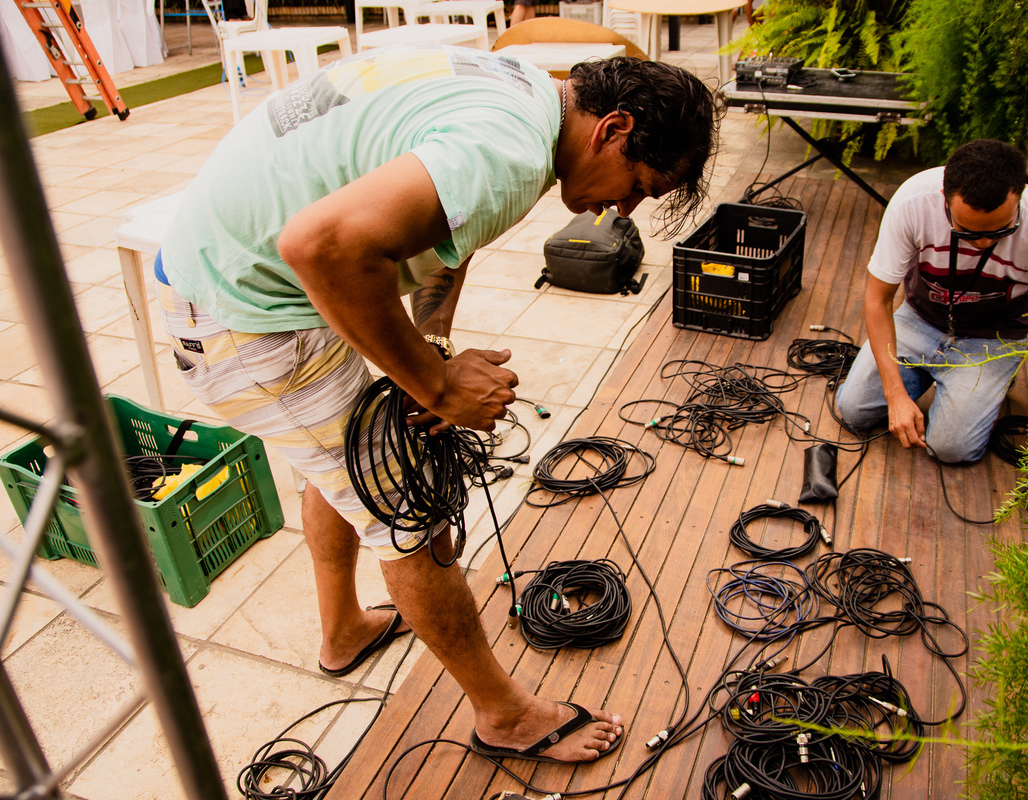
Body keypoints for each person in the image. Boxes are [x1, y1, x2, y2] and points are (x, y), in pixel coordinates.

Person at [156, 49, 720, 763]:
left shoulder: (523, 86)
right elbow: (321, 245)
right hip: (243, 312)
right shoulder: (508, 156)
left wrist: (431, 343)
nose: (624, 208)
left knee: (336, 459)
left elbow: (440, 228)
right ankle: (504, 717)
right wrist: (438, 386)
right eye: (640, 184)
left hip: (226, 272)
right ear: (613, 128)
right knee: (406, 517)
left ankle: (343, 631)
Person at [835, 138, 1028, 463]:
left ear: (1019, 197)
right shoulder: (912, 201)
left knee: (951, 448)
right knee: (852, 410)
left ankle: (995, 376)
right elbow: (878, 299)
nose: (985, 243)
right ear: (944, 202)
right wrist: (896, 396)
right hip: (919, 320)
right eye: (968, 232)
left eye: (1001, 231)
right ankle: (924, 376)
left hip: (994, 338)